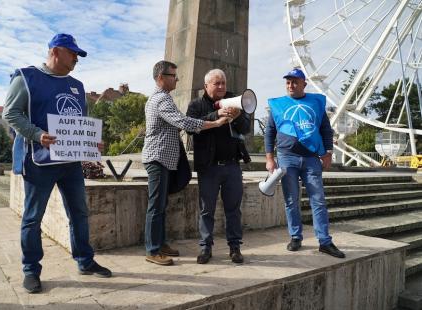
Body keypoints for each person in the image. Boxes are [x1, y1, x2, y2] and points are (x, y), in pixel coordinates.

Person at [3, 33, 112, 294]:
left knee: (79, 213)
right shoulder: (26, 78)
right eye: (73, 53)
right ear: (56, 51)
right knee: (32, 218)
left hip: (70, 162)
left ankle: (84, 261)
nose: (76, 58)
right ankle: (31, 269)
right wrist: (38, 135)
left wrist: (91, 143)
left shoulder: (77, 85)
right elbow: (10, 113)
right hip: (39, 162)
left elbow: (79, 124)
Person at [142, 61, 229, 266]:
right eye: (173, 75)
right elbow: (184, 122)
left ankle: (160, 243)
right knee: (155, 206)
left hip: (163, 159)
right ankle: (152, 250)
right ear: (160, 78)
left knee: (161, 205)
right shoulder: (161, 100)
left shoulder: (163, 98)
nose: (177, 79)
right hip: (158, 158)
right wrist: (215, 123)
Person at [264, 68, 345, 259]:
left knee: (318, 200)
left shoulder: (316, 104)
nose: (291, 85)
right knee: (291, 200)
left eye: (295, 82)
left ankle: (324, 241)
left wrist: (328, 152)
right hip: (286, 158)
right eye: (288, 82)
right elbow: (269, 132)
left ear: (304, 84)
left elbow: (326, 129)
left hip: (311, 159)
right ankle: (295, 237)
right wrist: (269, 158)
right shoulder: (278, 106)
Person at [186, 69, 251, 264]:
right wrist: (216, 114)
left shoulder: (234, 100)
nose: (222, 87)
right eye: (217, 83)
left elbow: (245, 129)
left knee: (234, 209)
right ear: (206, 86)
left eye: (223, 83)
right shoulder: (196, 105)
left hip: (232, 166)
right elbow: (190, 127)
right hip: (209, 167)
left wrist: (238, 116)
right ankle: (206, 248)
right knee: (207, 210)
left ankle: (235, 248)